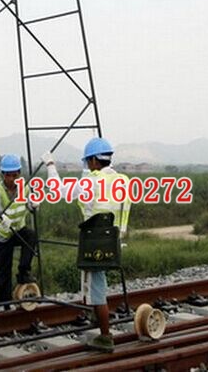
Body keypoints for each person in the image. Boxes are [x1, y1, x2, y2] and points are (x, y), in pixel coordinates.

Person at [43, 139, 131, 353]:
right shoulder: (121, 180)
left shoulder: (92, 181)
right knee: (96, 285)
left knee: (96, 289)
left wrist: (50, 166)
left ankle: (105, 336)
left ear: (93, 160)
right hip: (114, 241)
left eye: (87, 162)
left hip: (95, 242)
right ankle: (97, 318)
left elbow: (60, 191)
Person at [0, 154, 37, 304]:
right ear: (2, 175)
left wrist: (33, 206)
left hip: (18, 230)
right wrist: (3, 218)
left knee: (31, 236)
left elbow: (29, 206)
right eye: (8, 175)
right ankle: (5, 302)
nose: (12, 179)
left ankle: (23, 272)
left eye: (15, 175)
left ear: (19, 174)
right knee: (4, 270)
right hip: (2, 235)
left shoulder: (25, 188)